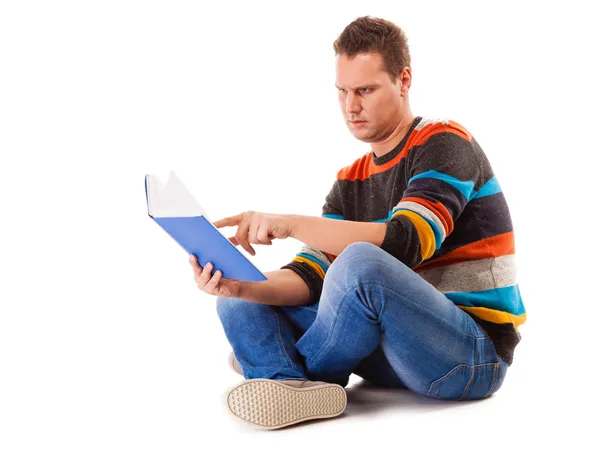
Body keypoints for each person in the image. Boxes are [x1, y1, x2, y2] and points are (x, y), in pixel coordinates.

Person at [189, 15, 526, 430]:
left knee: (360, 263)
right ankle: (290, 383)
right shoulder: (349, 181)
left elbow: (405, 242)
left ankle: (277, 365)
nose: (351, 106)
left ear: (404, 80)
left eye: (365, 90)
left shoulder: (446, 142)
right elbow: (312, 277)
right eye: (343, 92)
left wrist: (291, 224)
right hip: (389, 355)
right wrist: (238, 283)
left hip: (468, 357)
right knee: (242, 300)